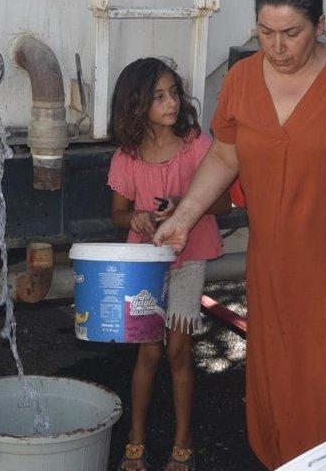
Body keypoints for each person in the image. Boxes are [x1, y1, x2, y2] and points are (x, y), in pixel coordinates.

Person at [153, 0, 326, 469]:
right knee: (282, 395)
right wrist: (183, 217)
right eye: (266, 33)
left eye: (291, 33)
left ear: (320, 26)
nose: (276, 47)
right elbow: (226, 153)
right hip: (274, 272)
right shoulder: (243, 79)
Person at [107, 57, 230, 471]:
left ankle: (183, 439)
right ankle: (136, 437)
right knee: (148, 353)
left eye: (174, 92)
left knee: (178, 351)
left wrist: (184, 206)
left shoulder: (196, 144)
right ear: (136, 104)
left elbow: (225, 203)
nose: (172, 102)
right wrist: (137, 218)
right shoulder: (126, 156)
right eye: (159, 96)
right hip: (146, 262)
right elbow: (118, 214)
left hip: (189, 257)